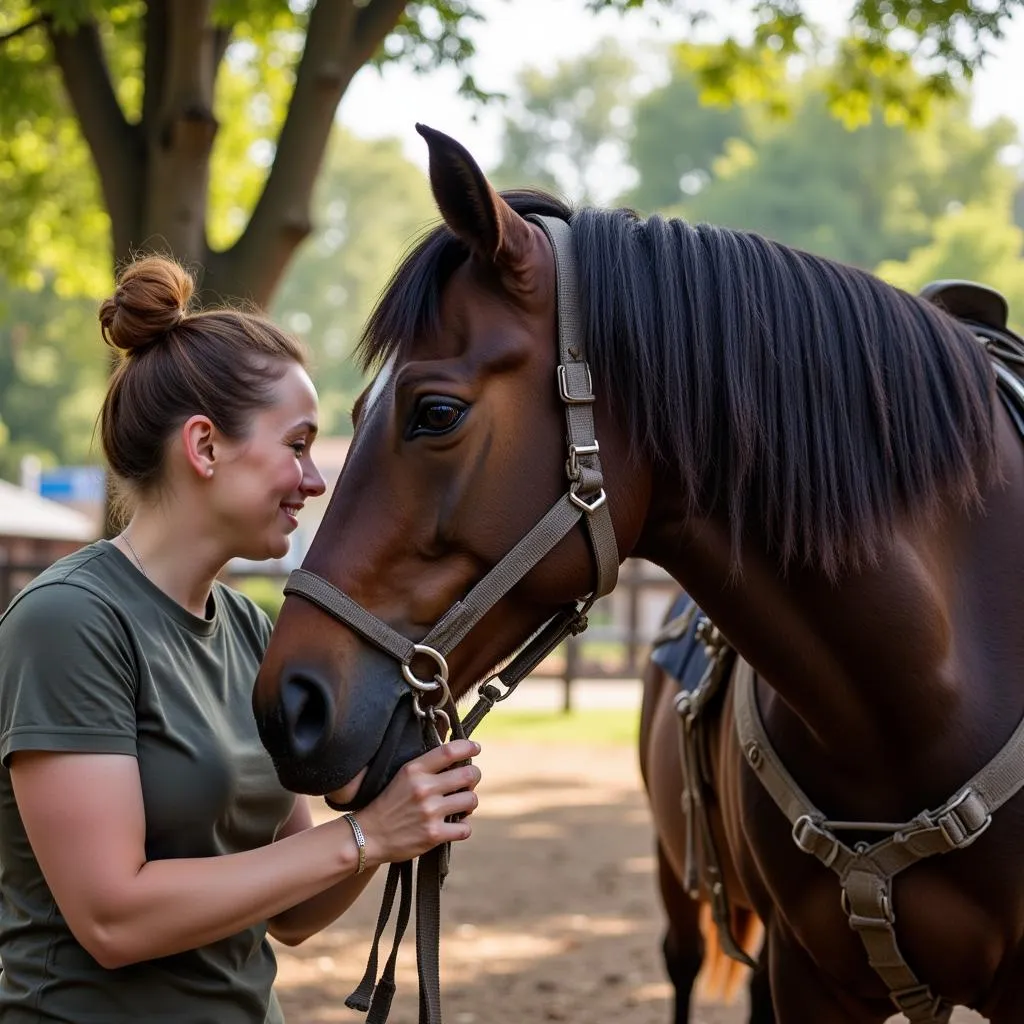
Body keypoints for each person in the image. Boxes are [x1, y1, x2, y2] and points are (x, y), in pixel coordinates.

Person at [0, 255, 481, 1023]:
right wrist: (362, 835)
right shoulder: (69, 622)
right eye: (296, 445)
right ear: (205, 447)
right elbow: (112, 918)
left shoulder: (253, 630)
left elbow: (291, 913)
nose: (314, 480)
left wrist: (400, 810)